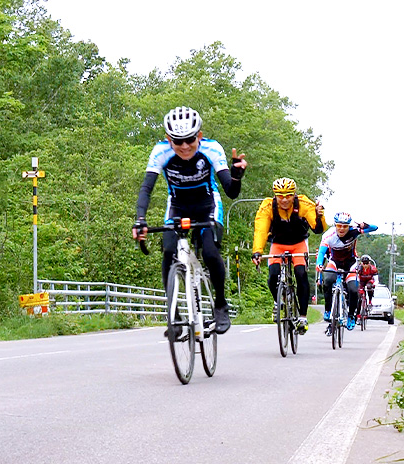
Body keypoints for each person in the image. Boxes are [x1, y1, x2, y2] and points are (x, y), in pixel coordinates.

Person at [132, 106, 247, 335]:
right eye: (177, 141)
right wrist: (140, 219)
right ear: (168, 139)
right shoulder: (160, 152)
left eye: (190, 140)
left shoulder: (212, 149)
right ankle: (173, 314)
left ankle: (221, 305)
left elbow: (231, 192)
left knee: (210, 252)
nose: (184, 146)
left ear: (199, 136)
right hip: (177, 206)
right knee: (168, 251)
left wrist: (236, 176)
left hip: (207, 206)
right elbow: (146, 188)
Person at [251, 178, 326, 334]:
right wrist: (257, 251)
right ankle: (279, 302)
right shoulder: (268, 206)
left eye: (288, 195)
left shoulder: (304, 204)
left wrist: (319, 216)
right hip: (278, 244)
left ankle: (303, 317)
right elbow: (261, 231)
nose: (284, 200)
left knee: (300, 274)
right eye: (280, 196)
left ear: (294, 194)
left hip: (298, 243)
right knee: (273, 276)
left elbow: (318, 229)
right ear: (275, 195)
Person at [315, 212, 378, 335]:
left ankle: (351, 316)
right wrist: (319, 264)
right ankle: (328, 310)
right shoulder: (329, 235)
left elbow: (374, 228)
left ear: (349, 226)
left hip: (351, 263)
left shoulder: (354, 230)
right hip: (334, 262)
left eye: (345, 226)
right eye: (339, 226)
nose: (342, 229)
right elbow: (322, 252)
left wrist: (364, 225)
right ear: (335, 225)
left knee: (354, 290)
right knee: (328, 280)